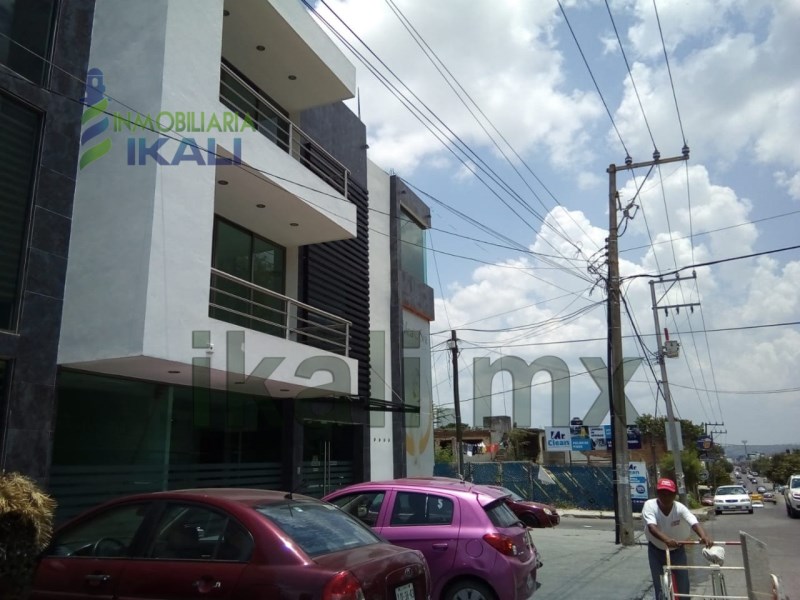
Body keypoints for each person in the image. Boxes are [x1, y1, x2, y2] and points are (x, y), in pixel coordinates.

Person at [642, 478, 713, 599]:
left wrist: (703, 536)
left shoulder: (680, 508)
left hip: (677, 550)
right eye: (662, 493)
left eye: (669, 494)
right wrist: (667, 540)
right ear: (657, 493)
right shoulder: (649, 505)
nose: (666, 497)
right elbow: (652, 527)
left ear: (674, 495)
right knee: (659, 584)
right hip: (656, 550)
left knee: (683, 583)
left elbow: (693, 522)